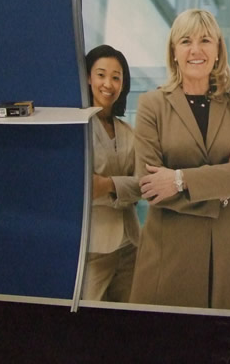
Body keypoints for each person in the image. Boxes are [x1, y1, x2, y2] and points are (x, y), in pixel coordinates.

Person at [129, 8, 230, 310]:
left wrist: (178, 179)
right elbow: (149, 186)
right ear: (174, 52)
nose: (196, 50)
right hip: (169, 257)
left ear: (218, 51)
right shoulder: (151, 105)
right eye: (186, 41)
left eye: (205, 41)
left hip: (225, 255)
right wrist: (222, 188)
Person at [82, 44, 140, 302]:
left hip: (130, 242)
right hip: (94, 245)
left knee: (129, 315)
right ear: (88, 78)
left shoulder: (128, 131)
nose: (108, 84)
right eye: (101, 75)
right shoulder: (78, 127)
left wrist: (107, 185)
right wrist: (124, 186)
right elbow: (82, 188)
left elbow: (143, 185)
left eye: (116, 77)